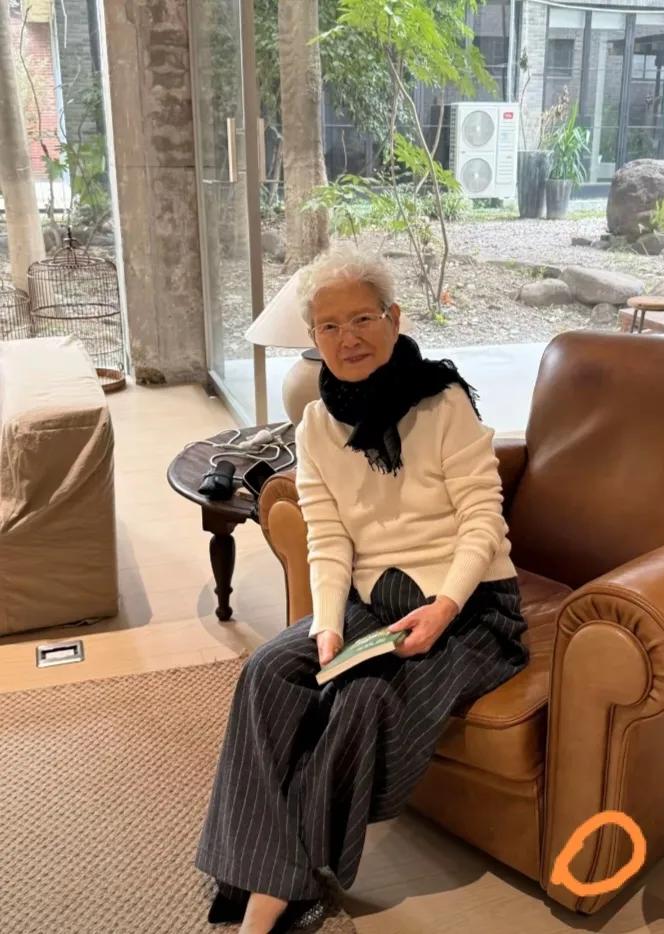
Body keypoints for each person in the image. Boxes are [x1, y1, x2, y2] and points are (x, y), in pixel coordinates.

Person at [195, 244, 529, 933]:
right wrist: (325, 624)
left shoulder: (443, 402)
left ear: (393, 318)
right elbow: (327, 537)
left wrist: (444, 607)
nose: (347, 339)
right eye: (329, 326)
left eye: (362, 319)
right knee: (267, 669)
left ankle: (271, 897)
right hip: (373, 601)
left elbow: (482, 520)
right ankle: (269, 870)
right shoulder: (317, 425)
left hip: (469, 606)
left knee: (363, 697)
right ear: (313, 336)